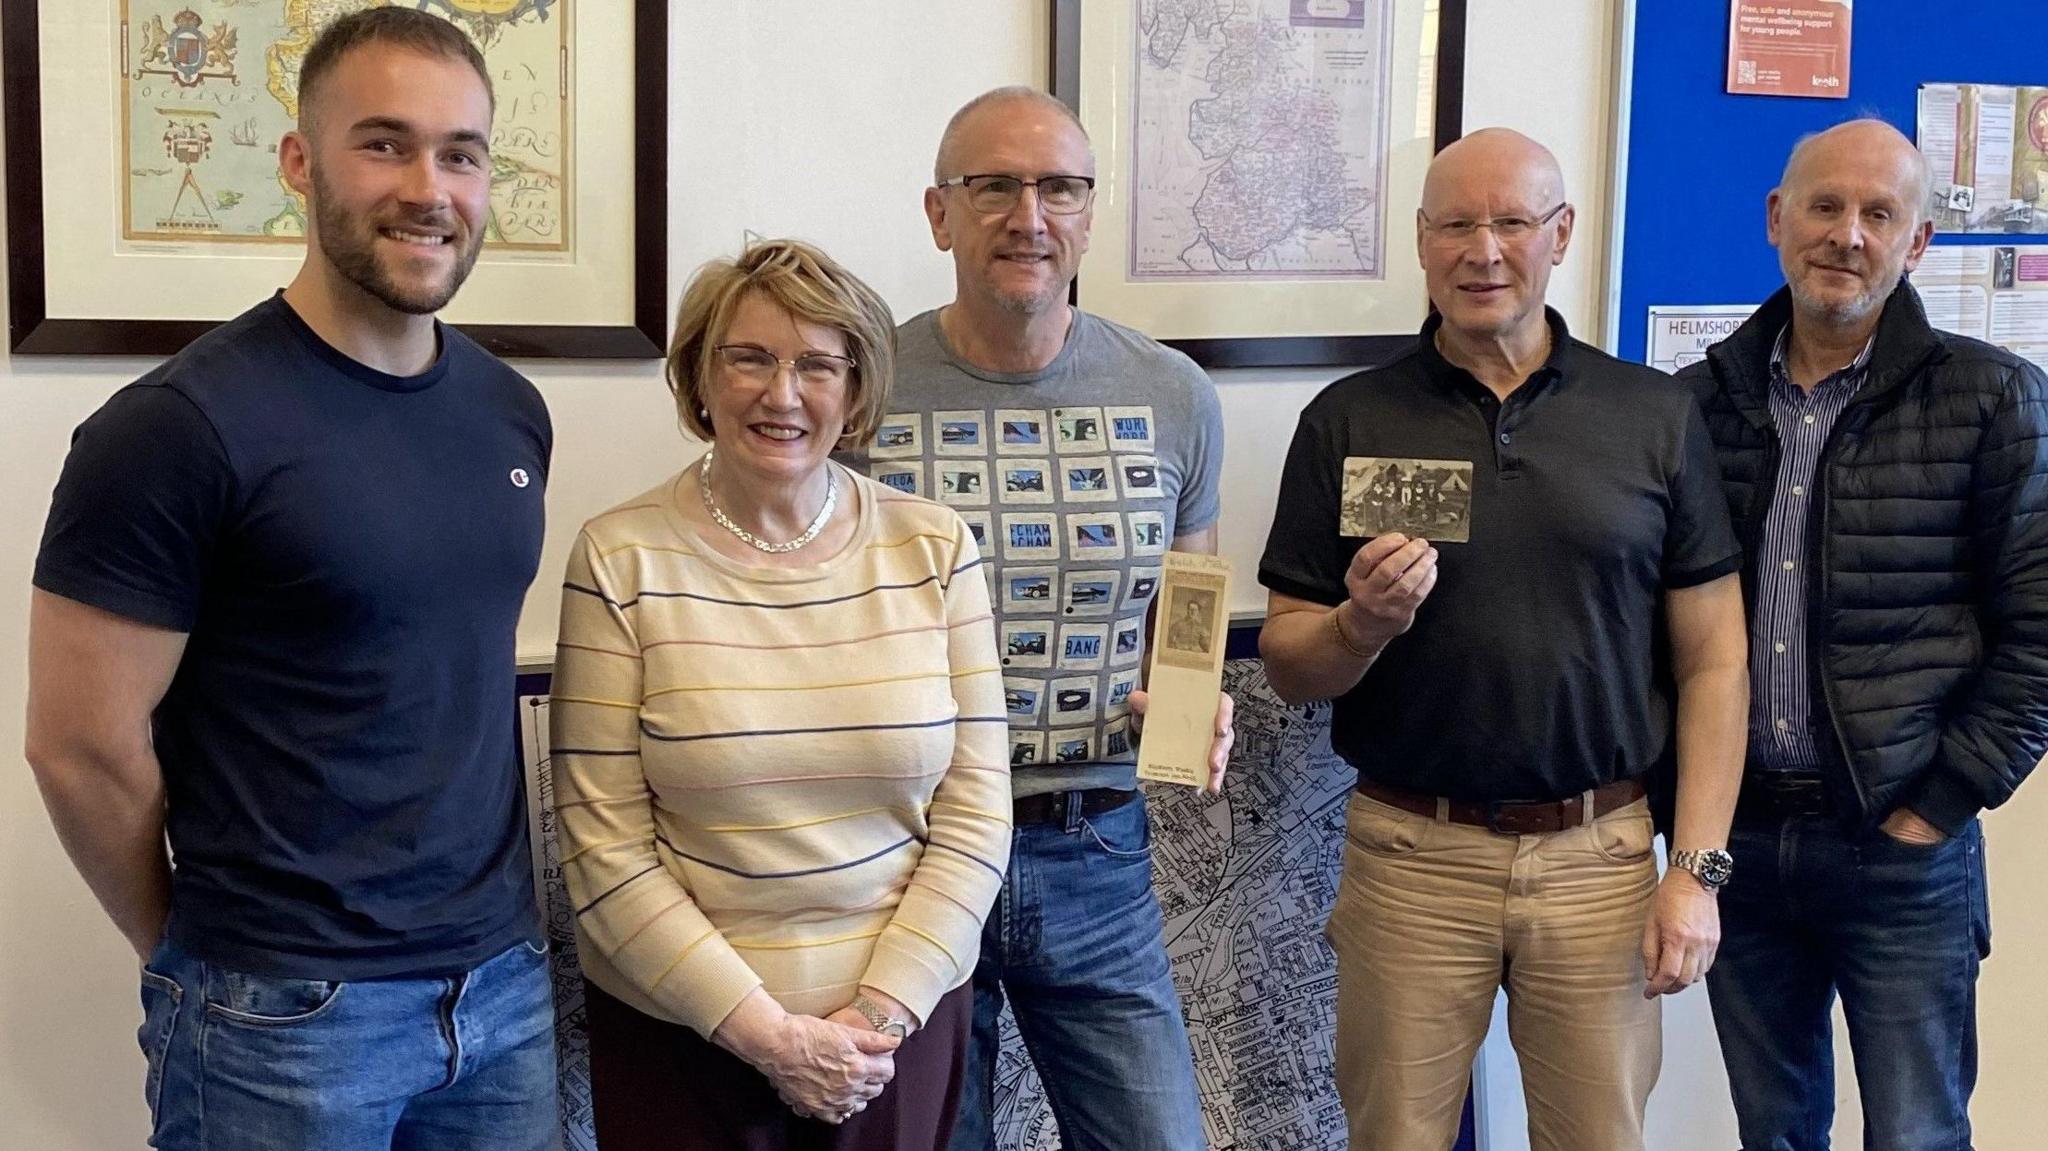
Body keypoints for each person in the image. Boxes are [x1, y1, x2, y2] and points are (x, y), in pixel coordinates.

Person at [24, 10, 556, 1149]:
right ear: (298, 162)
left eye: (460, 152)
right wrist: (200, 950)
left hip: (502, 990)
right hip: (281, 1016)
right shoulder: (177, 429)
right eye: (384, 143)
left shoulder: (509, 410)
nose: (429, 185)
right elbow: (78, 745)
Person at [1256, 128, 1749, 1151]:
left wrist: (1693, 867)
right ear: (1421, 241)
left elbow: (1713, 660)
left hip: (1600, 858)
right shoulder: (1347, 419)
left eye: (1511, 221)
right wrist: (1360, 623)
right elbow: (1293, 664)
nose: (1482, 250)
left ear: (1559, 234)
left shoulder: (1652, 414)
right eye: (1454, 225)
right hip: (1408, 857)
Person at [550, 239, 1010, 1151]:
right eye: (750, 357)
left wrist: (874, 1018)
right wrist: (770, 1037)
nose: (782, 392)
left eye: (817, 364)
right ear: (700, 378)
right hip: (685, 1038)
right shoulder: (619, 557)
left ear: (858, 386)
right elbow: (602, 844)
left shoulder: (934, 546)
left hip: (894, 1037)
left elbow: (975, 813)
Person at [854, 86, 1233, 1151]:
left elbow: (1188, 615)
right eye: (994, 187)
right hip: (907, 857)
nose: (1029, 216)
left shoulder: (1172, 392)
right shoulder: (859, 384)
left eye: (1058, 187)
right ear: (938, 213)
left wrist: (1193, 710)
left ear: (1088, 211)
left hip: (1094, 846)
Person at [1680, 118, 2048, 1151]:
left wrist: (1934, 805)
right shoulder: (1691, 407)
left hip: (1901, 852)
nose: (1845, 234)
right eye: (1823, 205)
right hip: (1739, 846)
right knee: (1774, 1130)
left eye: (1877, 213)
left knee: (1916, 1132)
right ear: (1774, 218)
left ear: (1916, 240)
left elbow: (2040, 638)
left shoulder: (1993, 400)